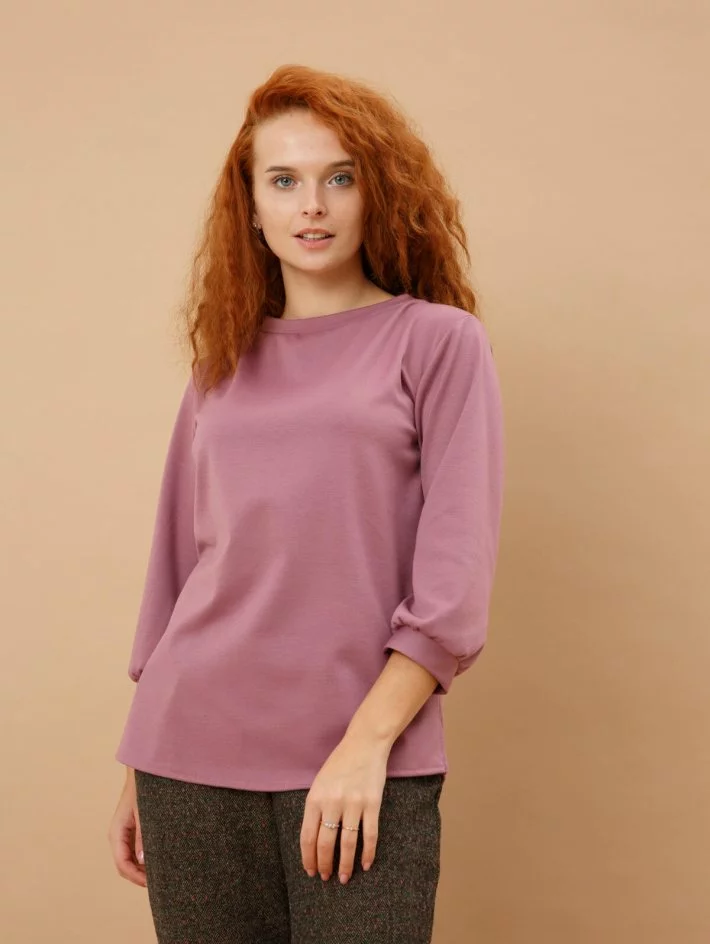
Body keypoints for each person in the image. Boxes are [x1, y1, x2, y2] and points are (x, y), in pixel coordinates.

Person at [107, 62, 505, 943]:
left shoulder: (436, 344)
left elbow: (453, 589)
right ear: (251, 206)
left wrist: (367, 745)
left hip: (363, 753)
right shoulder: (222, 361)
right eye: (283, 181)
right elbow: (177, 567)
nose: (312, 206)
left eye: (339, 178)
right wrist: (139, 759)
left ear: (376, 193)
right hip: (187, 751)